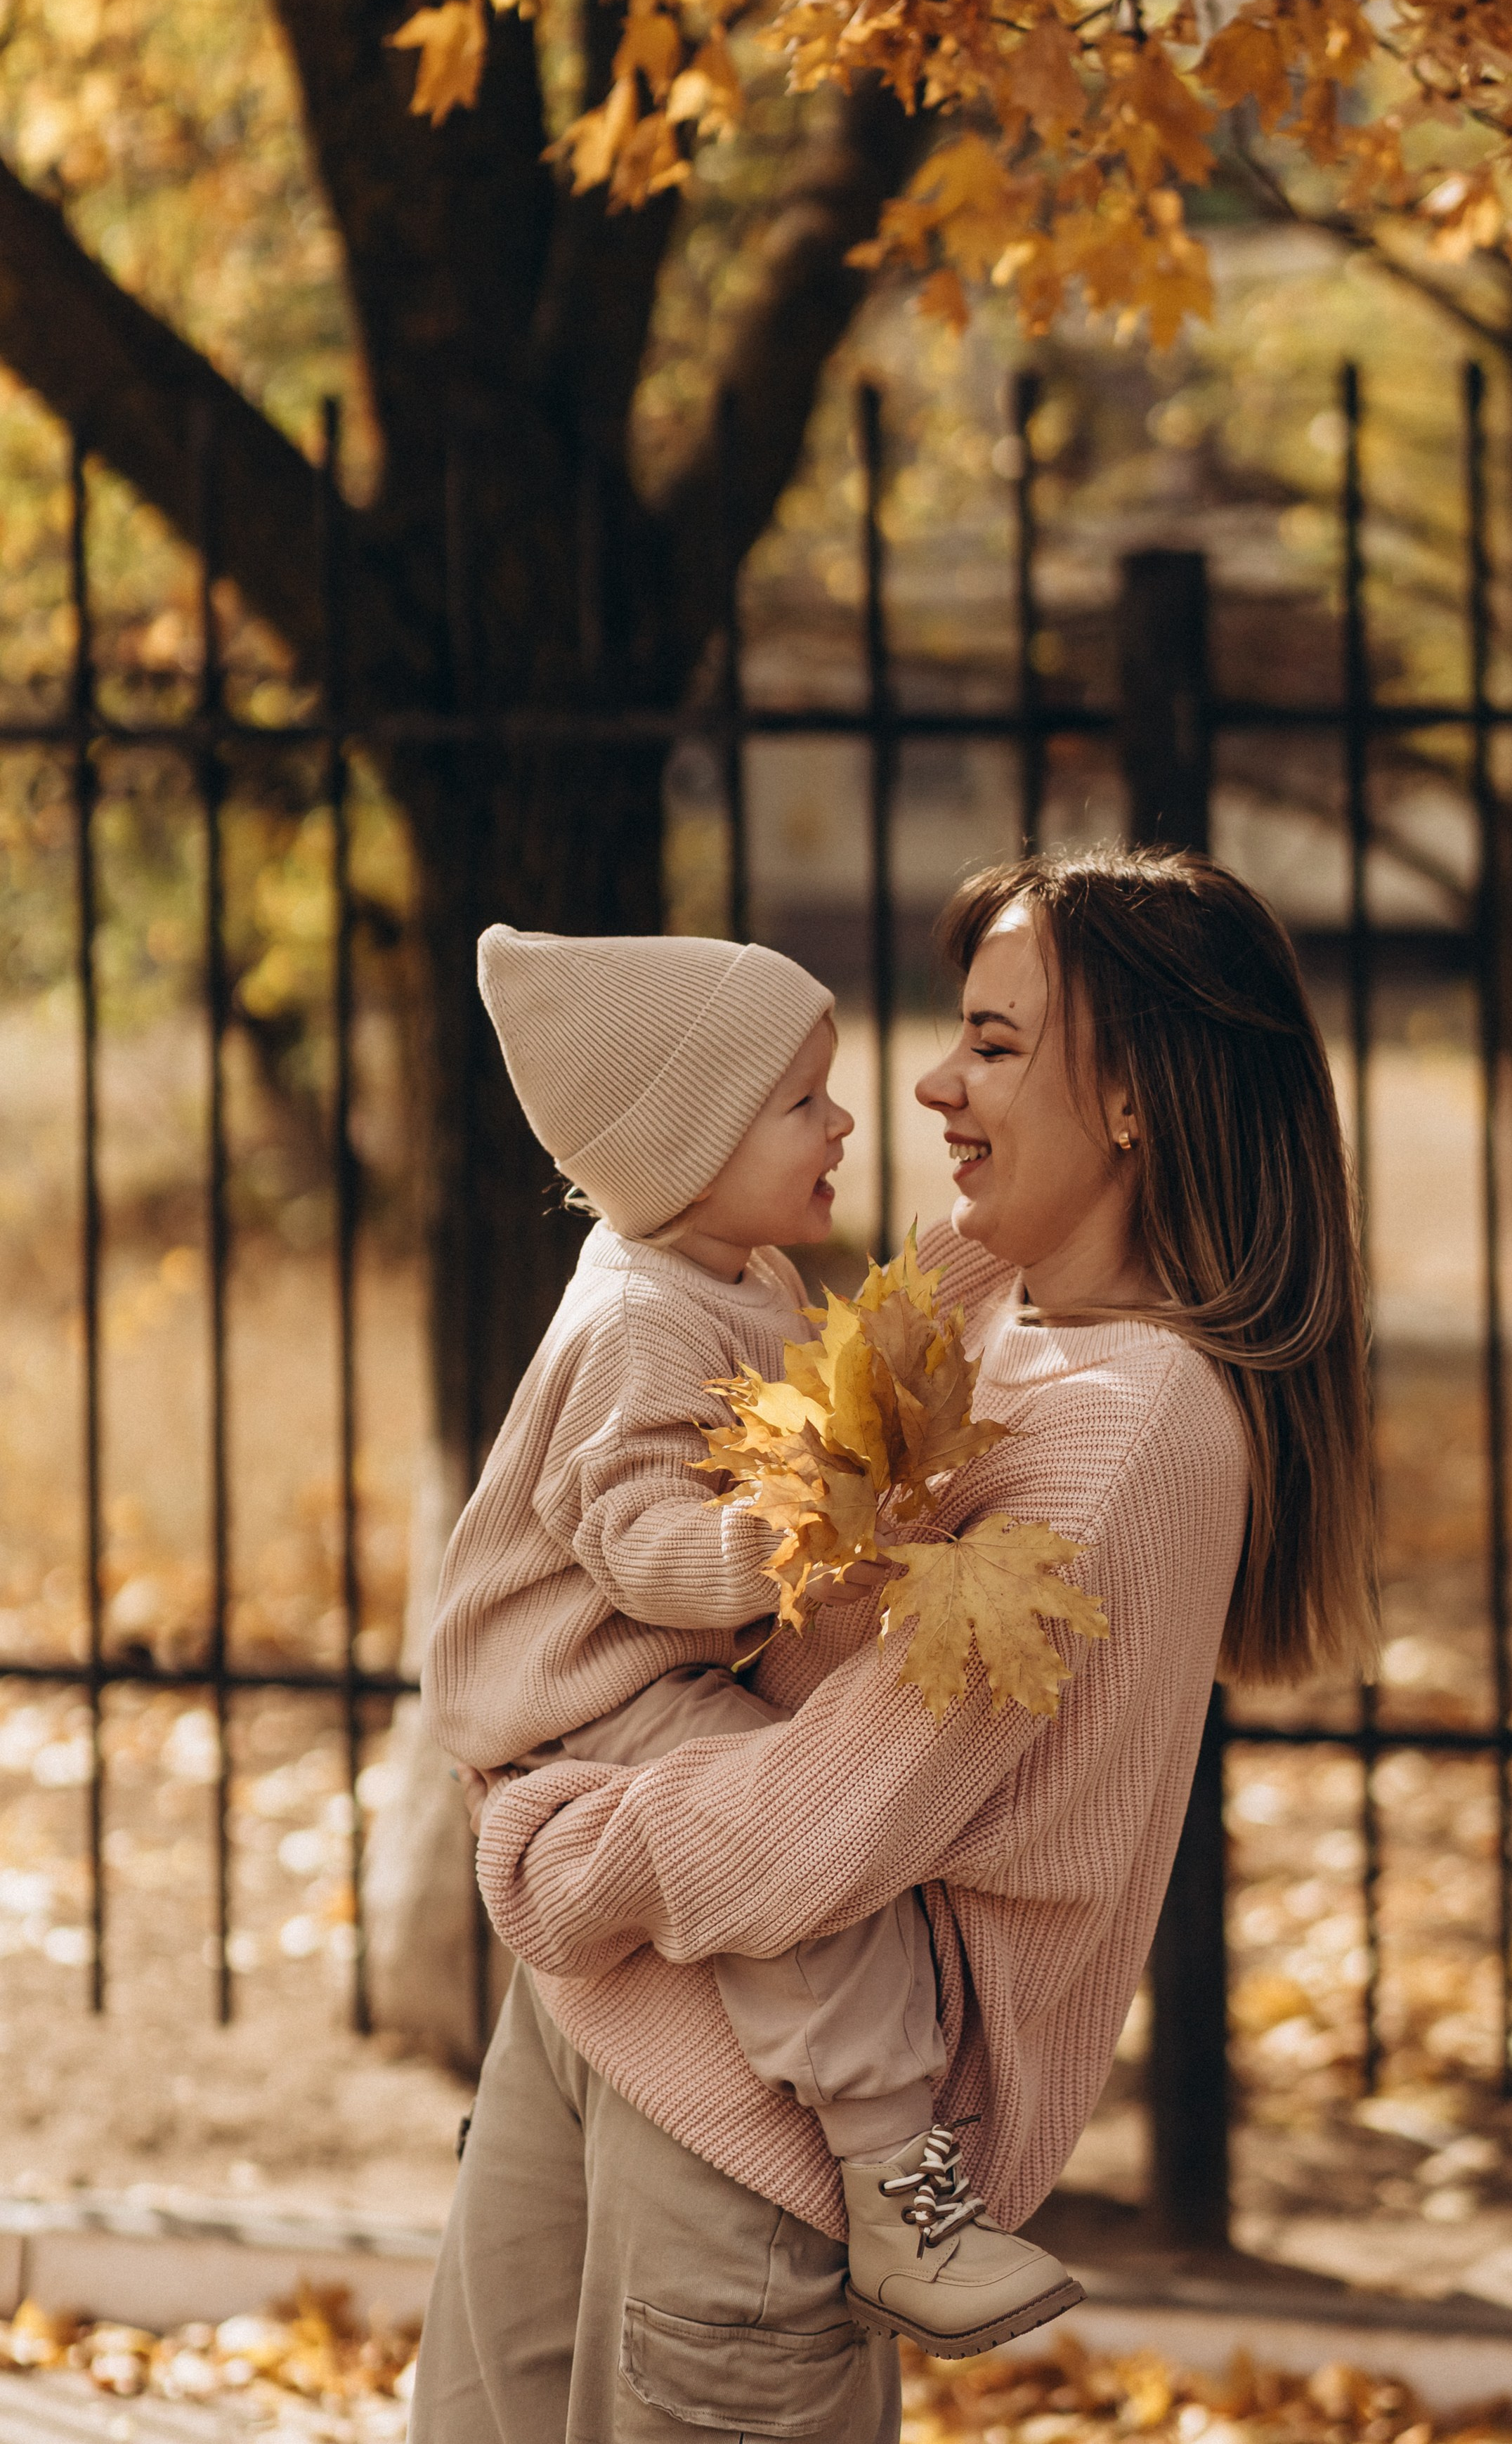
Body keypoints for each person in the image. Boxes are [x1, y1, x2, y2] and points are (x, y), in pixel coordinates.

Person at [411, 848, 1377, 2444]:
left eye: (994, 1043)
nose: (930, 1083)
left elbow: (826, 1817)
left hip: (759, 2122)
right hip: (612, 2015)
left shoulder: (1123, 1439)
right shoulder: (996, 1296)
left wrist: (544, 1851)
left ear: (1135, 1102)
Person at [423, 924, 1082, 2363]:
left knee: (799, 1834)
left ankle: (897, 2176)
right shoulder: (638, 1323)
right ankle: (901, 2200)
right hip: (584, 1691)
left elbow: (822, 1408)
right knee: (799, 1857)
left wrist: (974, 1268)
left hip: (642, 1671)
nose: (847, 1120)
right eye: (802, 1104)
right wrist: (810, 1533)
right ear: (687, 1144)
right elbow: (647, 1552)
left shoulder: (737, 1275)